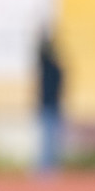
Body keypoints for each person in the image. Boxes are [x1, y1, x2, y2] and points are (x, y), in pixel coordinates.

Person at [35, 32, 64, 174]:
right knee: (48, 140)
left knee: (50, 140)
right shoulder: (51, 68)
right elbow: (41, 54)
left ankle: (48, 167)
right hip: (49, 106)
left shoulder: (52, 69)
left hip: (51, 106)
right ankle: (46, 168)